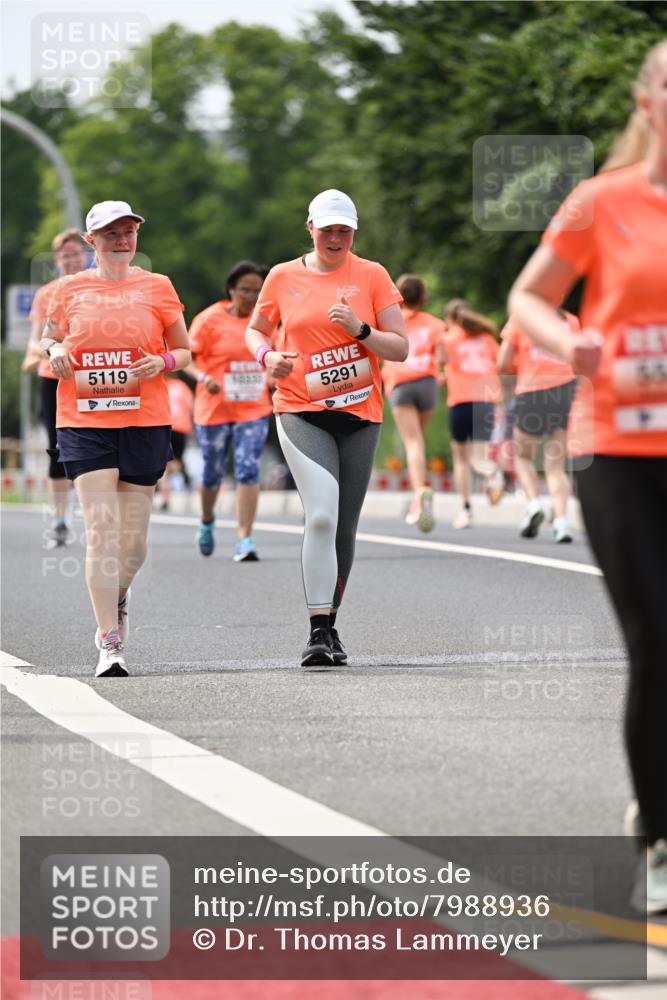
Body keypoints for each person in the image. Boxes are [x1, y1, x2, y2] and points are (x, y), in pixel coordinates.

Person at [509, 39, 667, 913]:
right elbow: (527, 294)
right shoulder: (599, 204)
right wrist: (562, 338)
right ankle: (659, 837)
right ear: (648, 102)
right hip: (617, 447)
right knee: (658, 641)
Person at [245, 189, 407, 666]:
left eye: (345, 231)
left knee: (343, 528)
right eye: (328, 229)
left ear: (354, 232)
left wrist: (360, 329)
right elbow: (255, 329)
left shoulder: (371, 275)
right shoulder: (282, 276)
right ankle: (316, 632)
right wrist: (268, 356)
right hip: (299, 407)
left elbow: (399, 348)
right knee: (320, 514)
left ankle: (331, 625)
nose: (336, 239)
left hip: (359, 414)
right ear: (310, 228)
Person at [40, 200, 191, 677]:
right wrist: (57, 346)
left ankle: (117, 593)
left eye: (128, 231)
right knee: (101, 530)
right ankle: (110, 639)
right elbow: (45, 338)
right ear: (92, 242)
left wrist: (162, 363)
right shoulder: (68, 290)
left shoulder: (159, 286)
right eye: (111, 233)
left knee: (135, 545)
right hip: (83, 420)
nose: (122, 239)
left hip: (145, 419)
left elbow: (184, 350)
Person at [186, 261, 271, 561]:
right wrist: (202, 377)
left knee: (248, 468)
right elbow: (186, 358)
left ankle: (244, 538)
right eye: (245, 290)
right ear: (231, 290)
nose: (250, 297)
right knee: (213, 471)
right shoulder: (209, 320)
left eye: (257, 292)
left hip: (254, 407)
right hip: (214, 408)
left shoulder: (269, 321)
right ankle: (207, 521)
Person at [22, 229, 89, 546]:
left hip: (91, 375)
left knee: (98, 443)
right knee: (58, 448)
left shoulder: (97, 286)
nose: (72, 259)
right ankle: (60, 521)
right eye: (66, 254)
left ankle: (97, 517)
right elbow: (36, 338)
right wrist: (42, 351)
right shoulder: (47, 293)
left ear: (86, 255)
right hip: (54, 376)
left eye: (77, 252)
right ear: (57, 260)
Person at [497, 311, 580, 542]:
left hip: (532, 390)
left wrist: (520, 367)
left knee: (523, 457)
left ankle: (534, 505)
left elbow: (502, 361)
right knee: (556, 465)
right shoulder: (570, 321)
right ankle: (562, 522)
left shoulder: (521, 317)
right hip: (565, 390)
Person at [381, 273, 445, 532]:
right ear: (424, 297)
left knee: (412, 442)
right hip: (427, 382)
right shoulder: (435, 324)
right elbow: (442, 358)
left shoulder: (389, 321)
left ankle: (420, 493)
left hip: (400, 382)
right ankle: (419, 497)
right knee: (419, 439)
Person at [441, 299, 504, 528]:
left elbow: (440, 361)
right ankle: (492, 473)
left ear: (449, 319)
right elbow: (501, 363)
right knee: (480, 457)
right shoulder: (486, 339)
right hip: (486, 401)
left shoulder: (448, 340)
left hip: (460, 401)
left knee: (461, 459)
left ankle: (466, 510)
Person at [157, 374, 194, 511]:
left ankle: (165, 494)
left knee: (164, 464)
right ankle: (184, 475)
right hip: (182, 428)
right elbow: (192, 406)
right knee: (176, 461)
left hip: (166, 425)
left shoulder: (162, 385)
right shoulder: (182, 387)